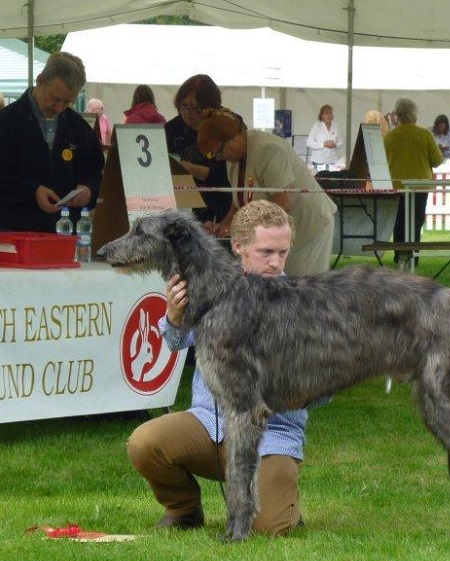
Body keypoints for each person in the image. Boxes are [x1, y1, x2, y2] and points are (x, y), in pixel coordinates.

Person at [127, 200, 328, 536]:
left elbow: (327, 388)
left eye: (283, 252)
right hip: (208, 425)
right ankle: (184, 510)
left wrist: (303, 394)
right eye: (266, 251)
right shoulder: (210, 287)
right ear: (239, 247)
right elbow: (177, 343)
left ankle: (281, 500)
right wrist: (175, 317)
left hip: (271, 436)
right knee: (145, 442)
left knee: (270, 528)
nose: (276, 262)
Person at [197, 108, 337, 276]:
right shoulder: (233, 159)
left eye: (219, 152)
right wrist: (223, 226)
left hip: (309, 227)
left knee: (303, 291)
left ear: (234, 138)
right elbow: (239, 202)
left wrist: (242, 230)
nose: (219, 158)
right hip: (283, 233)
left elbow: (281, 205)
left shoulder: (269, 149)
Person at [0, 51, 105, 232]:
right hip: (14, 233)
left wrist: (89, 189)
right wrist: (32, 191)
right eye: (55, 99)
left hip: (65, 235)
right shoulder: (6, 122)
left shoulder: (78, 127)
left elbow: (96, 173)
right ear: (40, 80)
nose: (59, 108)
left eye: (67, 102)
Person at [164, 74, 233, 225]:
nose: (188, 112)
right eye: (184, 106)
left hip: (217, 209)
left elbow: (225, 175)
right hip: (179, 206)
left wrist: (185, 168)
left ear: (211, 107)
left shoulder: (224, 127)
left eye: (196, 108)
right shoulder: (171, 129)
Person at [384, 98, 444, 263]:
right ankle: (413, 257)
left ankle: (399, 256)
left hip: (397, 186)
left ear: (397, 116)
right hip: (419, 186)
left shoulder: (390, 136)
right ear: (414, 115)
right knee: (415, 221)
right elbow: (437, 161)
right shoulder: (424, 134)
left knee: (399, 222)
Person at [306, 104, 343, 168]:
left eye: (330, 113)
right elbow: (309, 143)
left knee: (332, 177)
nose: (329, 115)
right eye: (327, 113)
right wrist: (323, 144)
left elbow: (341, 143)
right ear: (322, 115)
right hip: (318, 161)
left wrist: (335, 145)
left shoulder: (335, 126)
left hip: (332, 160)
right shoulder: (317, 126)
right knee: (319, 177)